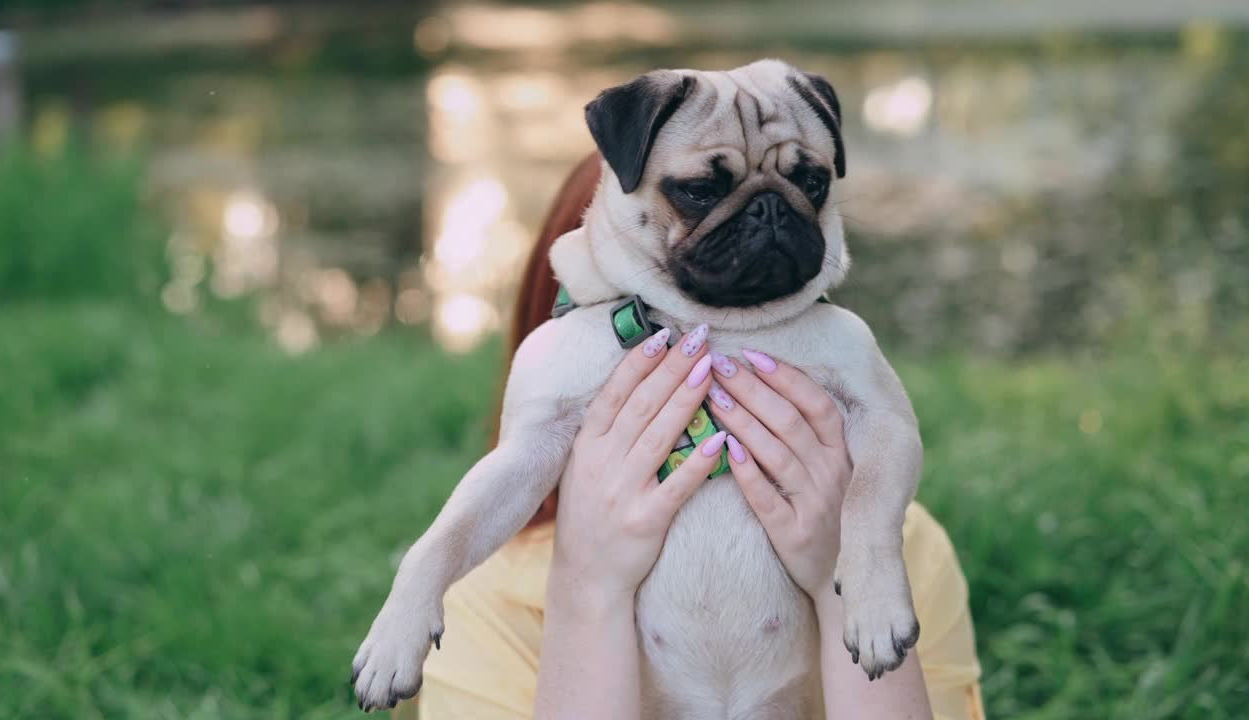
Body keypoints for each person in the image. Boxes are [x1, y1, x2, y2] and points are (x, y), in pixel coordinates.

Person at [400, 153, 984, 720]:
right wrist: (587, 590)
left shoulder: (907, 547)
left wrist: (847, 570)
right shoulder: (480, 598)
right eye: (636, 324)